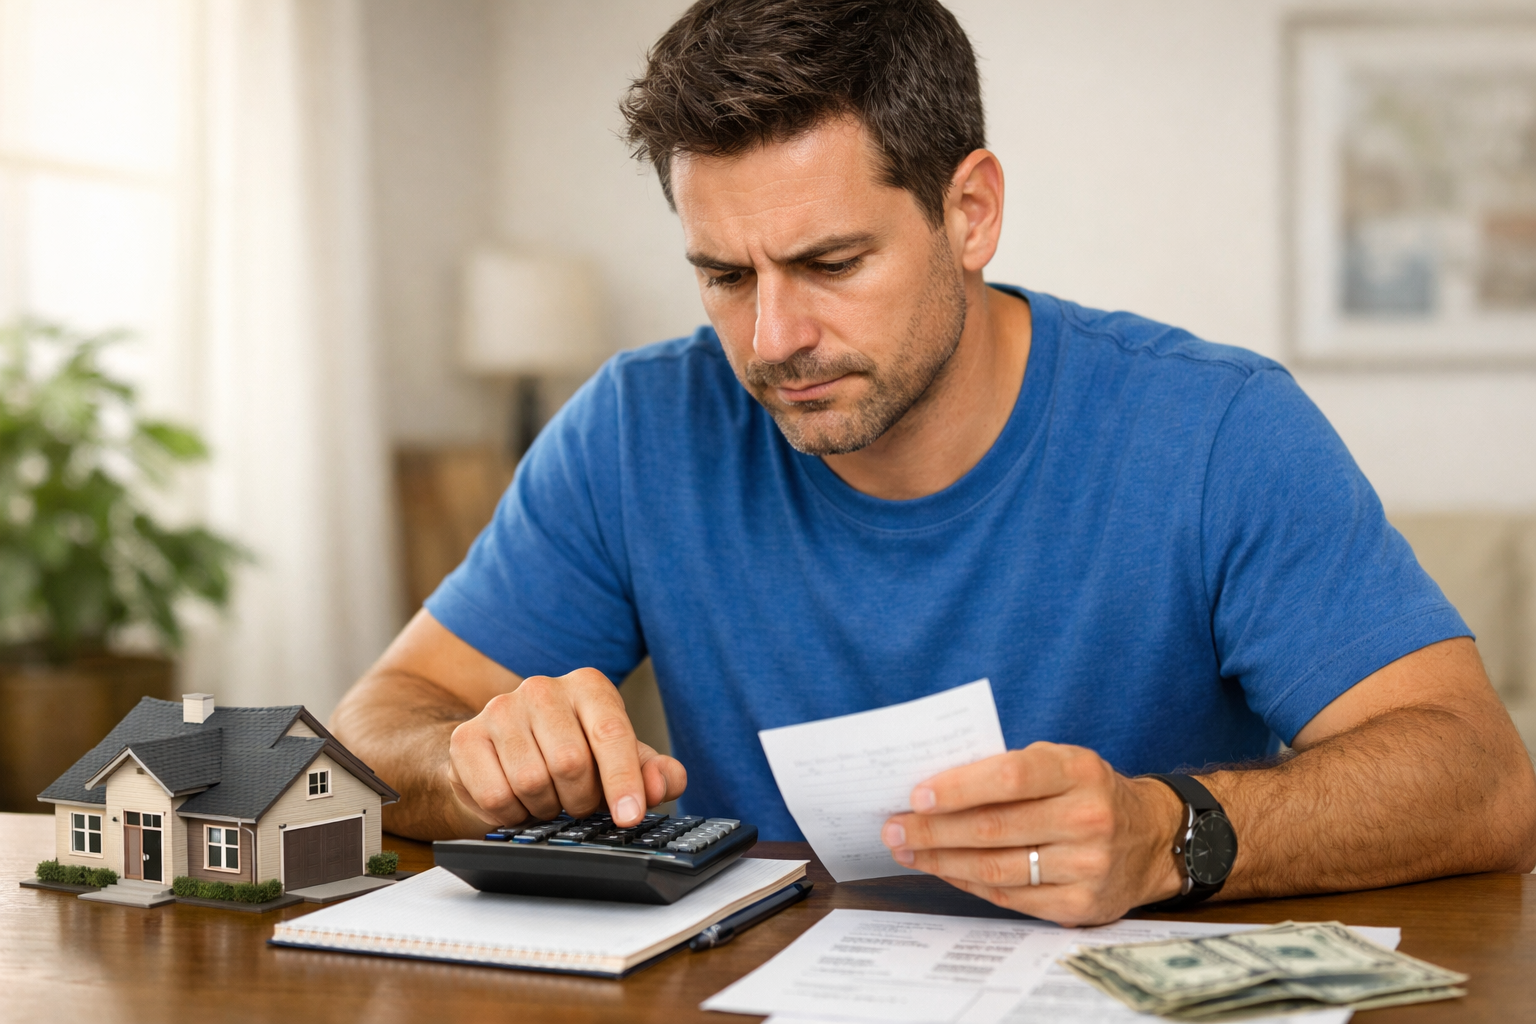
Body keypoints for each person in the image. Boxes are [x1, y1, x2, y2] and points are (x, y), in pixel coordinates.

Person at [331, 0, 1536, 926]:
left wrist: (1168, 832)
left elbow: (1482, 776)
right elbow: (374, 730)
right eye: (725, 276)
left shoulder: (1217, 429)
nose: (773, 339)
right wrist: (472, 759)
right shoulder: (639, 425)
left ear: (971, 213)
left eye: (832, 262)